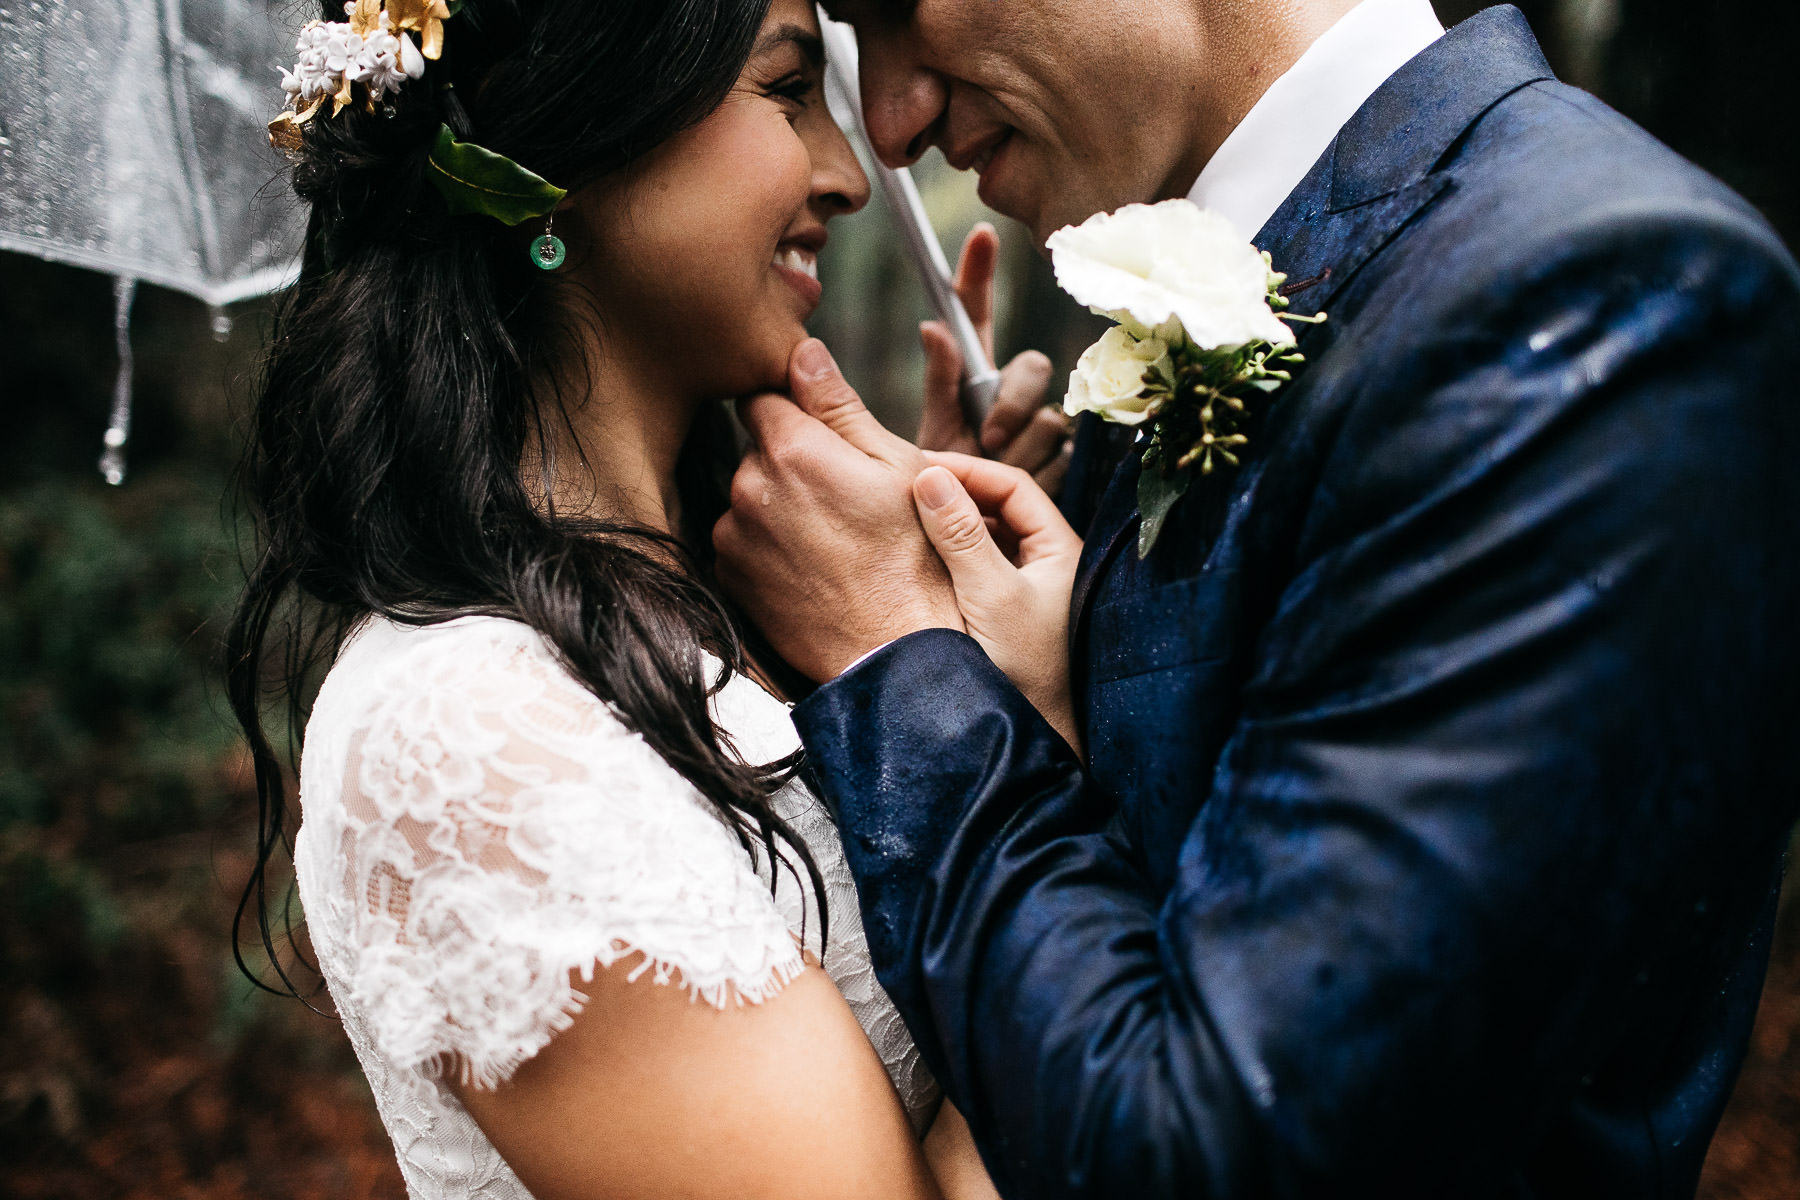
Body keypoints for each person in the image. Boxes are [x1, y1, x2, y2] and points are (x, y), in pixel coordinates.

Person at [713, 0, 1800, 1195]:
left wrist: (907, 658)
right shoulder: (1277, 282)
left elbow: (1224, 1154)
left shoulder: (1592, 287)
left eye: (896, 6)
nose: (891, 122)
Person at [227, 1, 1054, 1196]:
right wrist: (1012, 731)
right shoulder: (463, 735)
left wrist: (929, 583)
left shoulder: (745, 593)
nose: (849, 173)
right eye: (788, 88)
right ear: (566, 150)